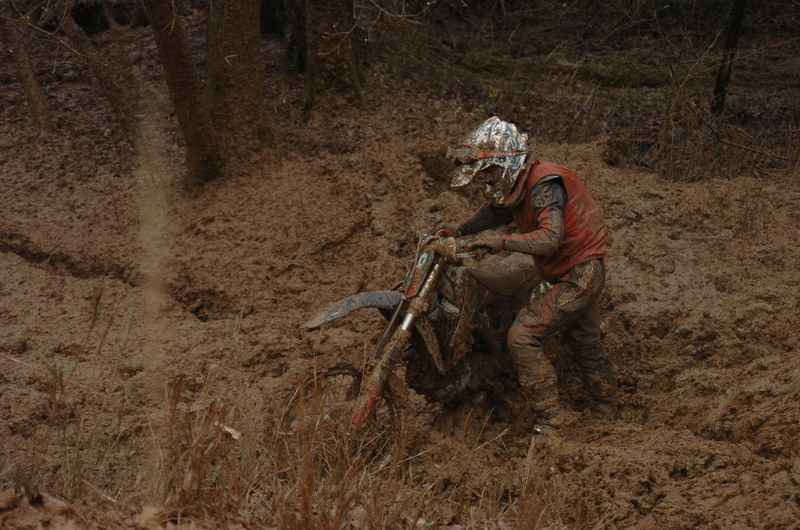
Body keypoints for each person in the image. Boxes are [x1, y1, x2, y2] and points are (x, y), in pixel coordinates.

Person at [447, 116, 618, 433]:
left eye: (490, 173)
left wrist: (499, 243)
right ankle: (607, 411)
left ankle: (552, 420)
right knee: (585, 341)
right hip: (574, 270)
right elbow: (491, 213)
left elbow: (550, 237)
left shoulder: (543, 184)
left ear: (507, 162)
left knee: (523, 334)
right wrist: (455, 232)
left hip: (581, 272)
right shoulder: (518, 186)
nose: (487, 182)